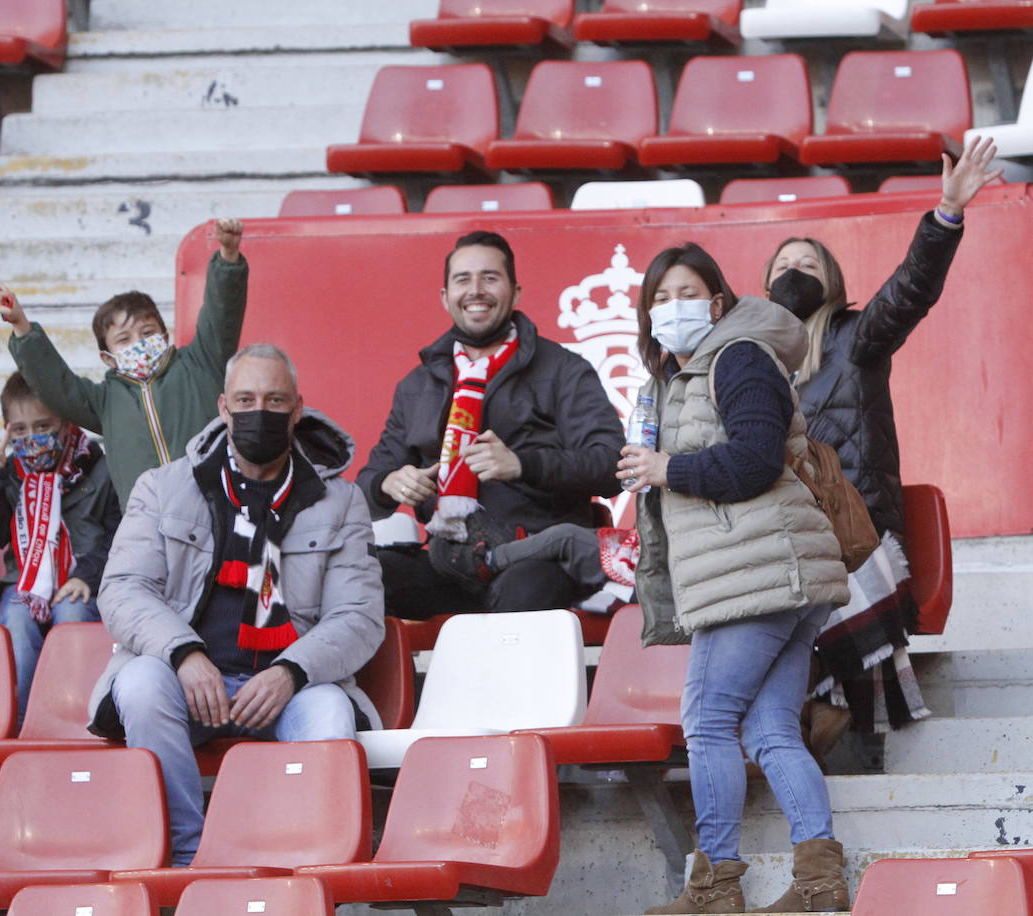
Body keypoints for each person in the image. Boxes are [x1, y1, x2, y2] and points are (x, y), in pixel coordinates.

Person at [86, 343, 384, 866]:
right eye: (245, 400)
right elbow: (123, 589)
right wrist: (182, 653)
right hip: (188, 680)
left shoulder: (341, 501)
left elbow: (358, 617)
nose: (258, 413)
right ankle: (188, 859)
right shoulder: (162, 487)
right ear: (223, 408)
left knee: (332, 713)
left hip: (290, 686)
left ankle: (299, 868)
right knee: (138, 684)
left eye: (274, 401)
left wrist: (291, 671)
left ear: (297, 410)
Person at [620, 243, 851, 914]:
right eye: (658, 299)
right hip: (773, 572)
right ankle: (819, 883)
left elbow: (753, 460)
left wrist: (669, 470)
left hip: (762, 573)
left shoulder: (740, 356)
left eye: (686, 293)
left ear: (718, 302)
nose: (672, 308)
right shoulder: (679, 378)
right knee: (772, 728)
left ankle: (715, 887)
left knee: (708, 720)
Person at [762, 135, 1002, 740]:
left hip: (857, 533)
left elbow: (911, 290)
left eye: (809, 265)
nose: (795, 273)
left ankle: (823, 723)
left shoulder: (857, 338)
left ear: (834, 283)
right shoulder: (748, 362)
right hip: (780, 537)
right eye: (783, 267)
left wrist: (946, 216)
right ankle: (791, 729)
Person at [357, 230, 624, 617]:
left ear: (515, 293)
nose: (475, 290)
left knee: (519, 594)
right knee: (360, 577)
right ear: (445, 296)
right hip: (450, 563)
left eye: (490, 278)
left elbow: (611, 465)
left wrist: (523, 464)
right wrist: (389, 483)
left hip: (538, 558)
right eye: (462, 279)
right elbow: (367, 485)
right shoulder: (416, 385)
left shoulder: (565, 371)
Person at [0, 218, 247, 508]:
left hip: (215, 507)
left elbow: (222, 315)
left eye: (147, 332)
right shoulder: (104, 401)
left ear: (165, 336)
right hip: (149, 520)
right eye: (124, 339)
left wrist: (228, 258)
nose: (139, 343)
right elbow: (56, 384)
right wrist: (20, 324)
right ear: (107, 358)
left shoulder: (199, 363)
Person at [0, 372, 121, 726]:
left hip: (83, 584)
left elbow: (119, 538)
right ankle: (18, 726)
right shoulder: (6, 471)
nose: (32, 438)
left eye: (43, 426)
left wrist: (87, 576)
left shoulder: (104, 469)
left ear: (66, 423)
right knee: (17, 620)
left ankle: (69, 722)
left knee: (71, 616)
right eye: (19, 430)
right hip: (24, 584)